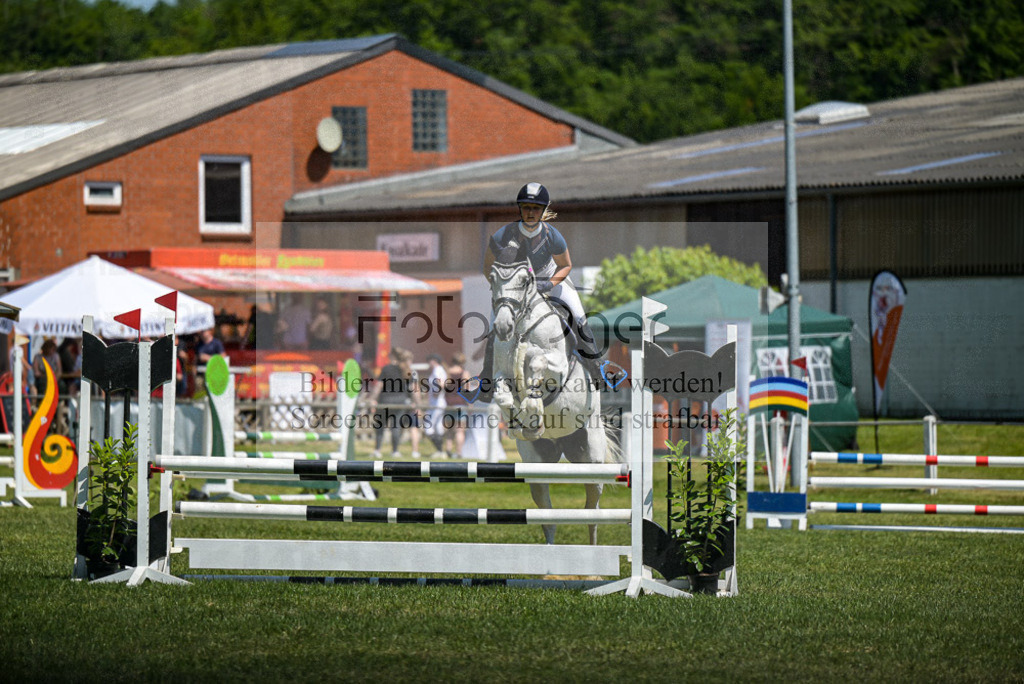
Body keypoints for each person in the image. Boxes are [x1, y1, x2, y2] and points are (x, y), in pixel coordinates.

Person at [479, 182, 604, 400]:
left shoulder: (552, 236)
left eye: (535, 208)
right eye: (526, 207)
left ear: (543, 210)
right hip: (515, 288)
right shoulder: (503, 235)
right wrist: (501, 289)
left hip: (550, 280)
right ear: (520, 208)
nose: (530, 212)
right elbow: (488, 267)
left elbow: (565, 265)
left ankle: (597, 370)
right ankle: (486, 382)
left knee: (578, 316)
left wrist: (549, 284)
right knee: (494, 329)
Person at [367, 348, 420, 459]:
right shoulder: (408, 371)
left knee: (380, 426)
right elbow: (413, 389)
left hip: (385, 401)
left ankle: (377, 450)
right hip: (400, 402)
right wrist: (418, 404)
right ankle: (395, 451)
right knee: (396, 427)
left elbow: (379, 386)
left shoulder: (387, 369)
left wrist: (372, 399)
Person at [443, 352, 469, 458]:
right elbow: (467, 390)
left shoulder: (447, 372)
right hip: (460, 404)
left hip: (448, 403)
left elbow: (444, 387)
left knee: (449, 430)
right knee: (459, 430)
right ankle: (458, 452)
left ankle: (448, 450)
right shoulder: (464, 373)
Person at [422, 353, 448, 457]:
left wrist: (437, 392)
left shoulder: (437, 370)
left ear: (434, 360)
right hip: (438, 402)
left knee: (428, 426)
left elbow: (441, 383)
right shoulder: (440, 370)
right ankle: (441, 451)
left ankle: (440, 450)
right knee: (438, 427)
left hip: (437, 403)